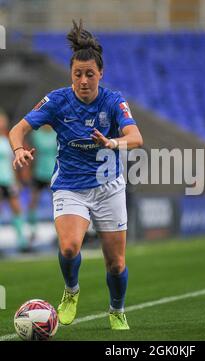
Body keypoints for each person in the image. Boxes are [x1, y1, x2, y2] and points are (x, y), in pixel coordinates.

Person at [8, 20, 143, 330]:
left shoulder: (113, 101)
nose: (83, 80)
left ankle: (117, 310)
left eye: (90, 74)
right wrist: (18, 150)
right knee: (69, 247)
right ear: (71, 74)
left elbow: (136, 137)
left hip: (108, 187)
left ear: (101, 74)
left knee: (116, 263)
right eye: (77, 74)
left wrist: (113, 142)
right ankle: (71, 292)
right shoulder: (56, 100)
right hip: (70, 186)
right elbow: (18, 130)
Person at [0, 109, 29, 252]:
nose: (2, 123)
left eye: (3, 120)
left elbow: (12, 162)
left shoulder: (8, 139)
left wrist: (16, 180)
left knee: (17, 209)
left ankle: (22, 242)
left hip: (8, 180)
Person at [28, 125, 57, 242]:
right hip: (38, 173)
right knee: (33, 202)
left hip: (54, 173)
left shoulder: (57, 133)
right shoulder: (36, 135)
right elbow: (31, 153)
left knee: (57, 203)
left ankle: (59, 232)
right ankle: (32, 231)